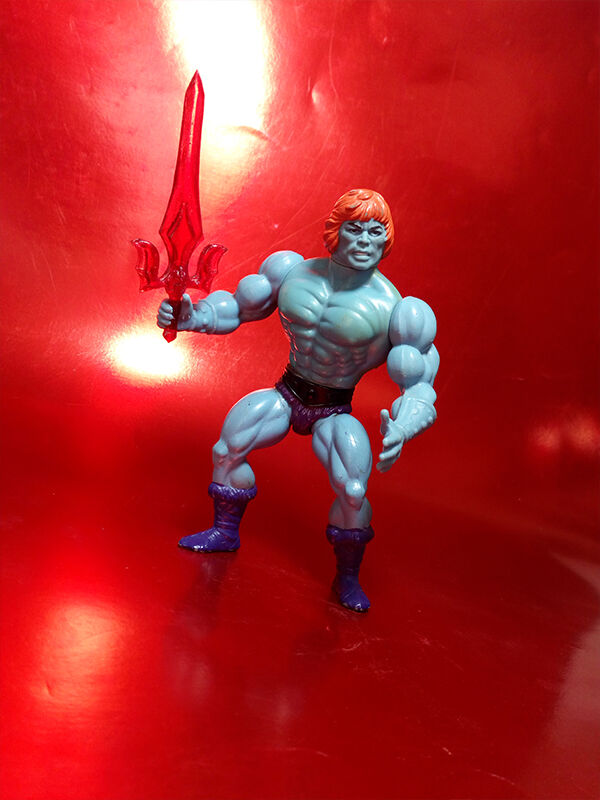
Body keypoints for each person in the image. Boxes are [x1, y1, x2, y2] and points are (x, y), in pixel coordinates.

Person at [157, 189, 439, 612]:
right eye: (355, 229)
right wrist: (192, 316)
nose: (365, 241)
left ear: (387, 240)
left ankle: (347, 577)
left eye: (376, 232)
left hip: (334, 406)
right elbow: (237, 307)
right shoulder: (291, 271)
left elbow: (419, 385)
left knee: (353, 490)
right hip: (289, 390)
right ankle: (224, 532)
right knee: (227, 449)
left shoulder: (401, 311)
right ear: (334, 232)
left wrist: (404, 425)